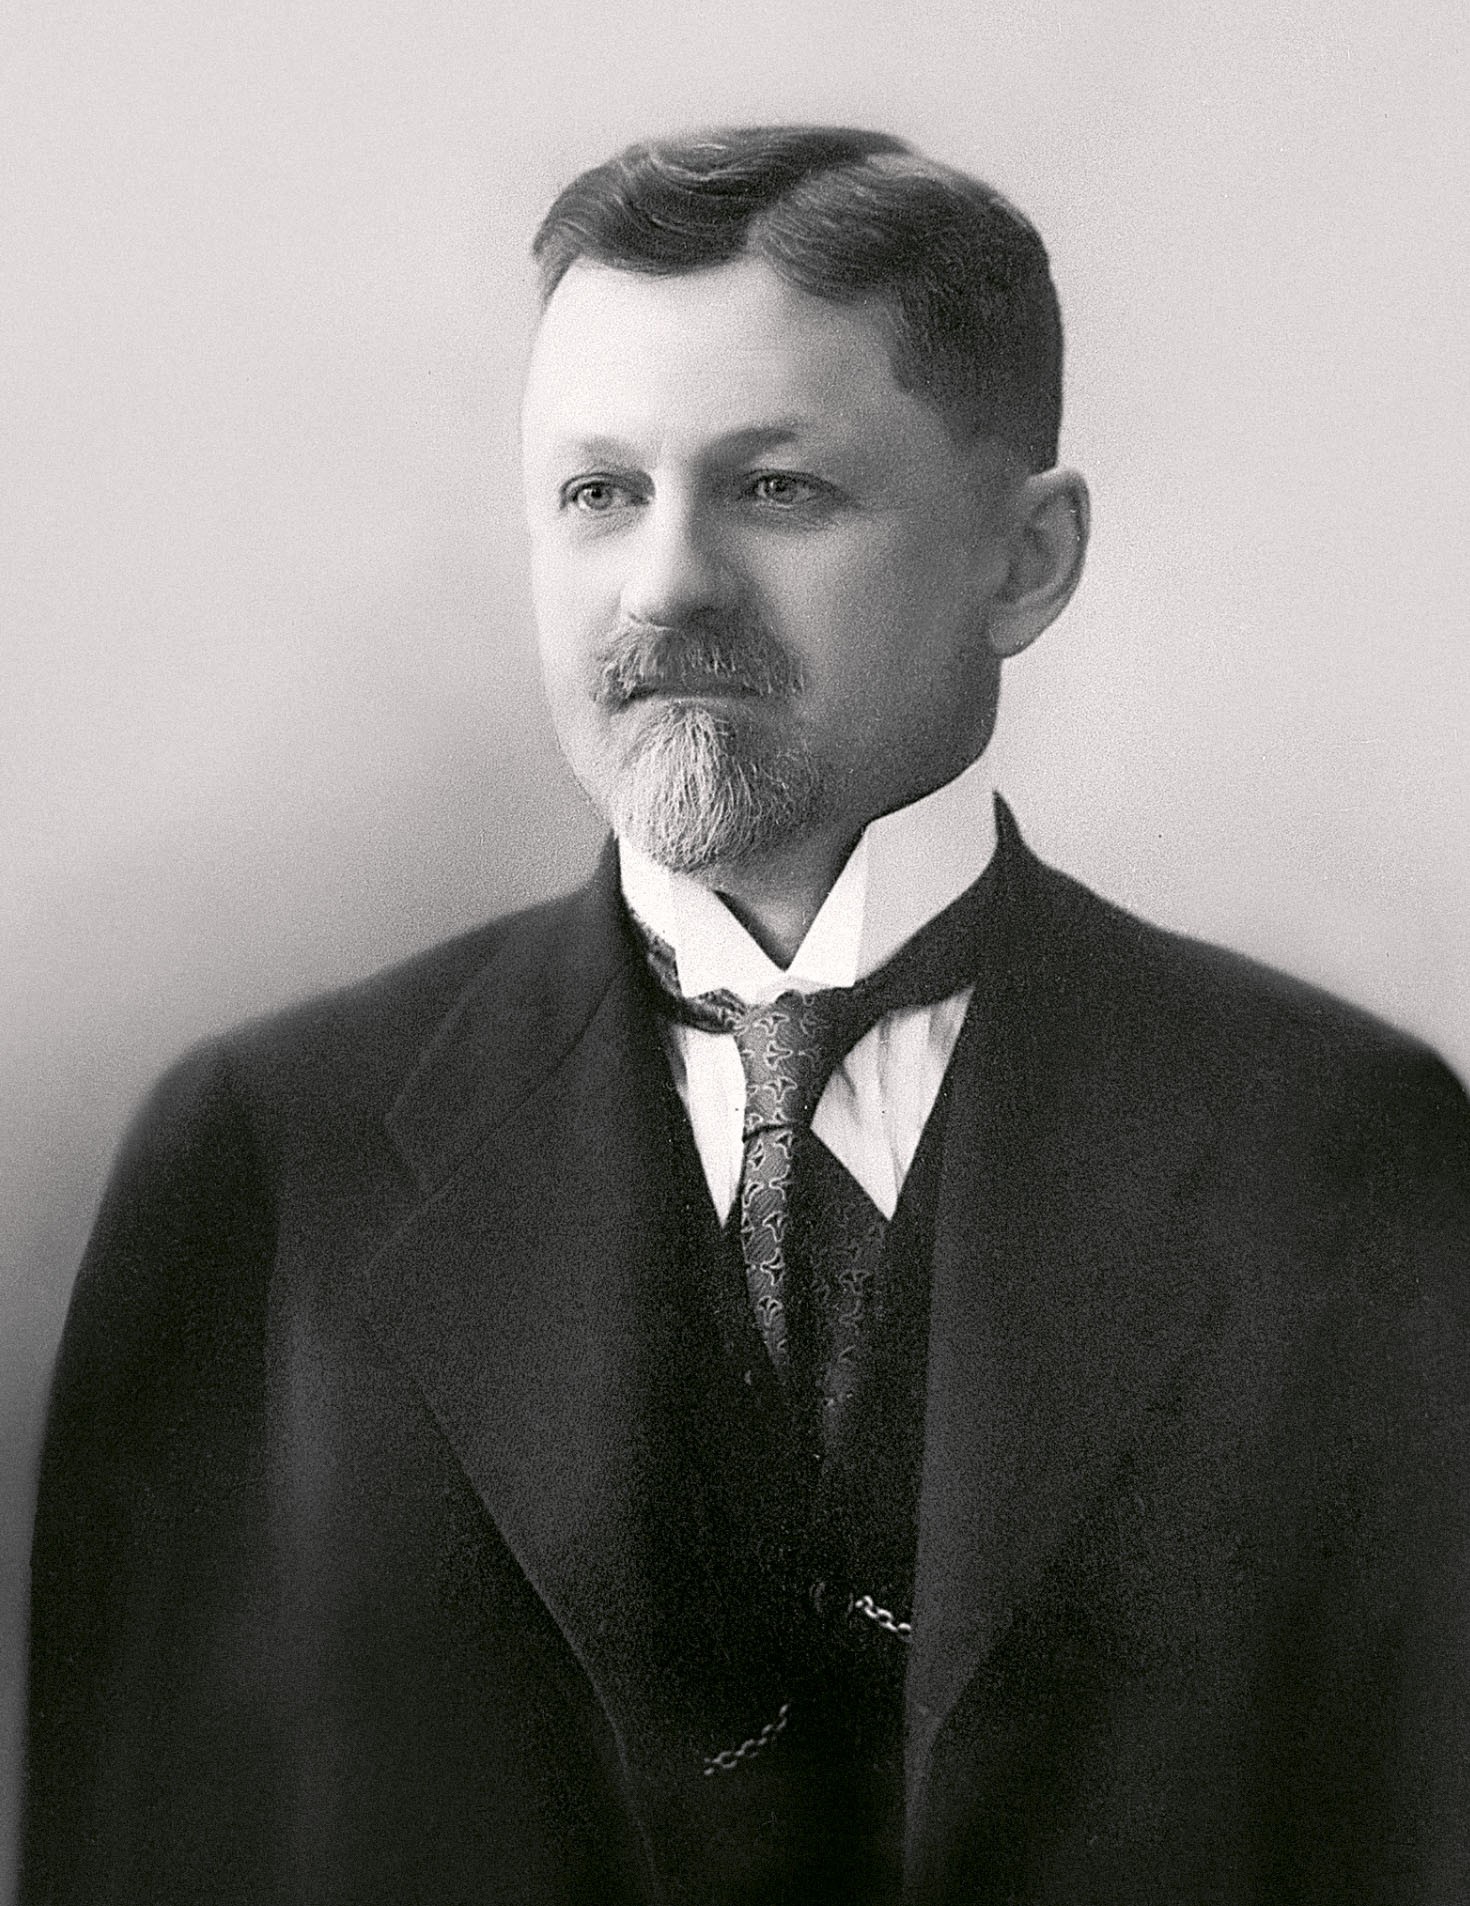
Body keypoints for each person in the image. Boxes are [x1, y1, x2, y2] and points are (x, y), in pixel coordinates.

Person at [21, 125, 1470, 1906]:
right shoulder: (265, 1161)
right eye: (597, 493)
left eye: (773, 487)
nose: (663, 584)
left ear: (1025, 561)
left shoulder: (1335, 1153)